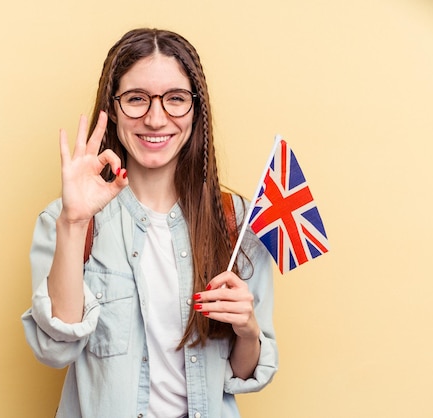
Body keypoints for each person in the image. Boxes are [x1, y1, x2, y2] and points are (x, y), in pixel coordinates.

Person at [21, 28, 278, 418]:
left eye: (175, 99)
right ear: (113, 107)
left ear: (196, 108)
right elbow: (55, 350)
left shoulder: (235, 221)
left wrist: (247, 329)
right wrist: (74, 222)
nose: (156, 119)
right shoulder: (68, 221)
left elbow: (240, 373)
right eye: (137, 99)